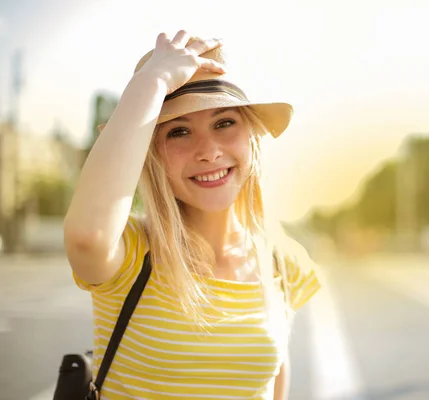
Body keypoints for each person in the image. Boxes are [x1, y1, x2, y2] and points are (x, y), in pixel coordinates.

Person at [63, 31, 321, 399]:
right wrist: (151, 82)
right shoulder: (132, 253)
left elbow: (274, 377)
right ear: (150, 153)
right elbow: (87, 237)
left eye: (224, 123)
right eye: (179, 131)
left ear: (251, 134)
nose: (208, 152)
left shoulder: (282, 261)